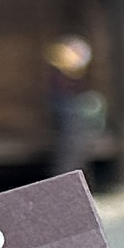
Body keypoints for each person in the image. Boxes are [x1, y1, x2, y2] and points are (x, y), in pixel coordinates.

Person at [45, 34, 107, 186]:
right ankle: (66, 177)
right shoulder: (59, 74)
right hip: (66, 114)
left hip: (72, 118)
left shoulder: (71, 74)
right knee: (72, 143)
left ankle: (71, 176)